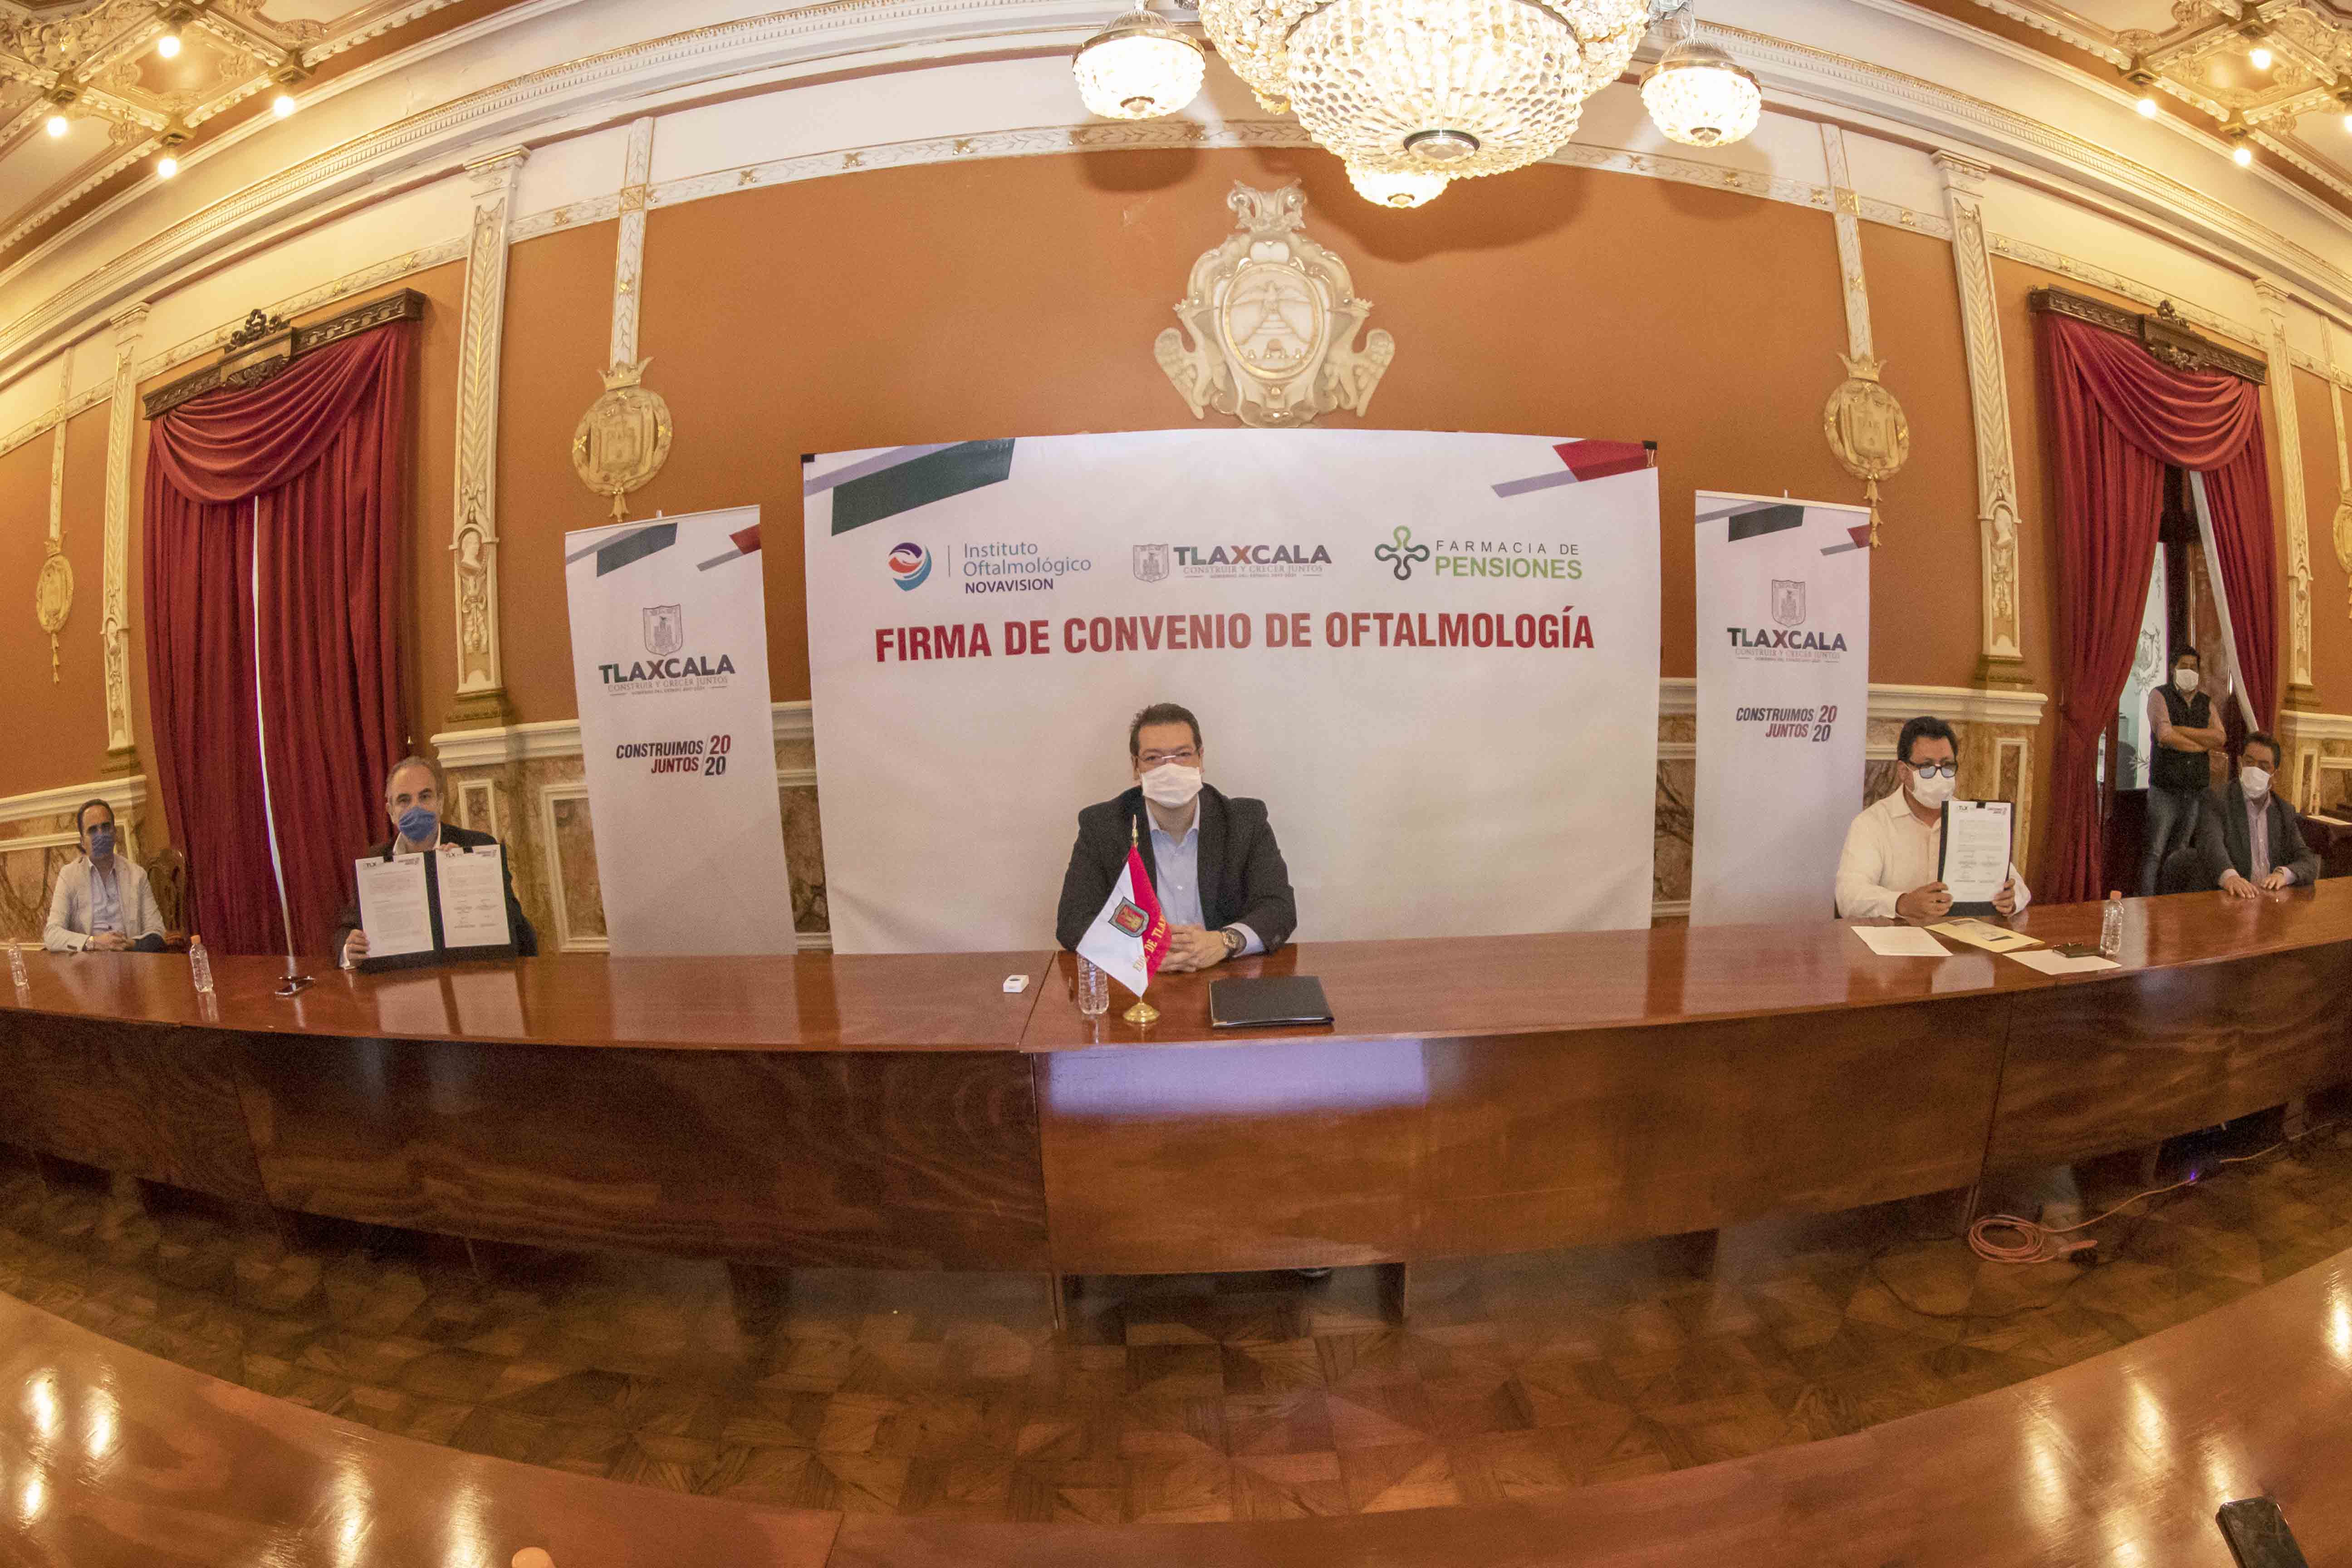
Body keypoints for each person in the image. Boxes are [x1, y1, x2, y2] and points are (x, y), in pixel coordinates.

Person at [1054, 702, 1295, 970]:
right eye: (1153, 758)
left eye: (1182, 755)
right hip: (1141, 981)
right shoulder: (1103, 826)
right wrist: (1140, 951)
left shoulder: (1244, 821)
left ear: (1200, 759)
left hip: (1226, 975)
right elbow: (1073, 921)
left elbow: (1279, 908)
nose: (1169, 769)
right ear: (1135, 767)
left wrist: (1225, 941)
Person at [332, 755, 535, 967]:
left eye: (425, 797)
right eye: (404, 800)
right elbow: (345, 930)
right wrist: (349, 950)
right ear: (391, 812)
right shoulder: (374, 861)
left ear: (440, 803)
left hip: (470, 975)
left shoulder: (478, 846)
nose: (416, 808)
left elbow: (517, 925)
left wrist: (467, 872)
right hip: (403, 979)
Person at [1836, 715, 2030, 921]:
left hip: (1962, 936)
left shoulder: (1974, 819)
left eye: (1947, 766)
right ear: (1903, 771)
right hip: (1897, 937)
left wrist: (2011, 899)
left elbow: (2019, 887)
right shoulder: (1872, 823)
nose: (1939, 776)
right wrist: (1902, 903)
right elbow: (1849, 897)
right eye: (1927, 767)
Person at [2139, 646, 2225, 896]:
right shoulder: (2160, 696)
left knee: (2181, 852)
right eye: (2184, 667)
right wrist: (2201, 746)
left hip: (2196, 791)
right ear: (2173, 669)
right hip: (2165, 790)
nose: (2190, 671)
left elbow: (2220, 737)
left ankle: (2171, 902)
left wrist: (2181, 731)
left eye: (2194, 667)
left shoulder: (2205, 702)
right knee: (2155, 852)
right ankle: (2146, 901)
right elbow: (2165, 735)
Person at [2195, 730, 2319, 897]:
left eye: (2263, 766)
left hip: (2269, 900)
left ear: (2275, 774)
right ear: (2240, 764)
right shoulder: (2217, 799)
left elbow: (2308, 861)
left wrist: (2284, 875)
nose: (2255, 770)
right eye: (2249, 762)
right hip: (2230, 898)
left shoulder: (2283, 810)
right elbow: (2211, 845)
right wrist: (2231, 877)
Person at [44, 799, 167, 952]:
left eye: (106, 827)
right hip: (88, 961)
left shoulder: (137, 875)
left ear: (115, 833)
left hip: (129, 958)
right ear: (82, 842)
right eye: (93, 830)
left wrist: (128, 944)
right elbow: (52, 935)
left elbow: (158, 933)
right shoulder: (69, 876)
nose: (101, 835)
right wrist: (94, 943)